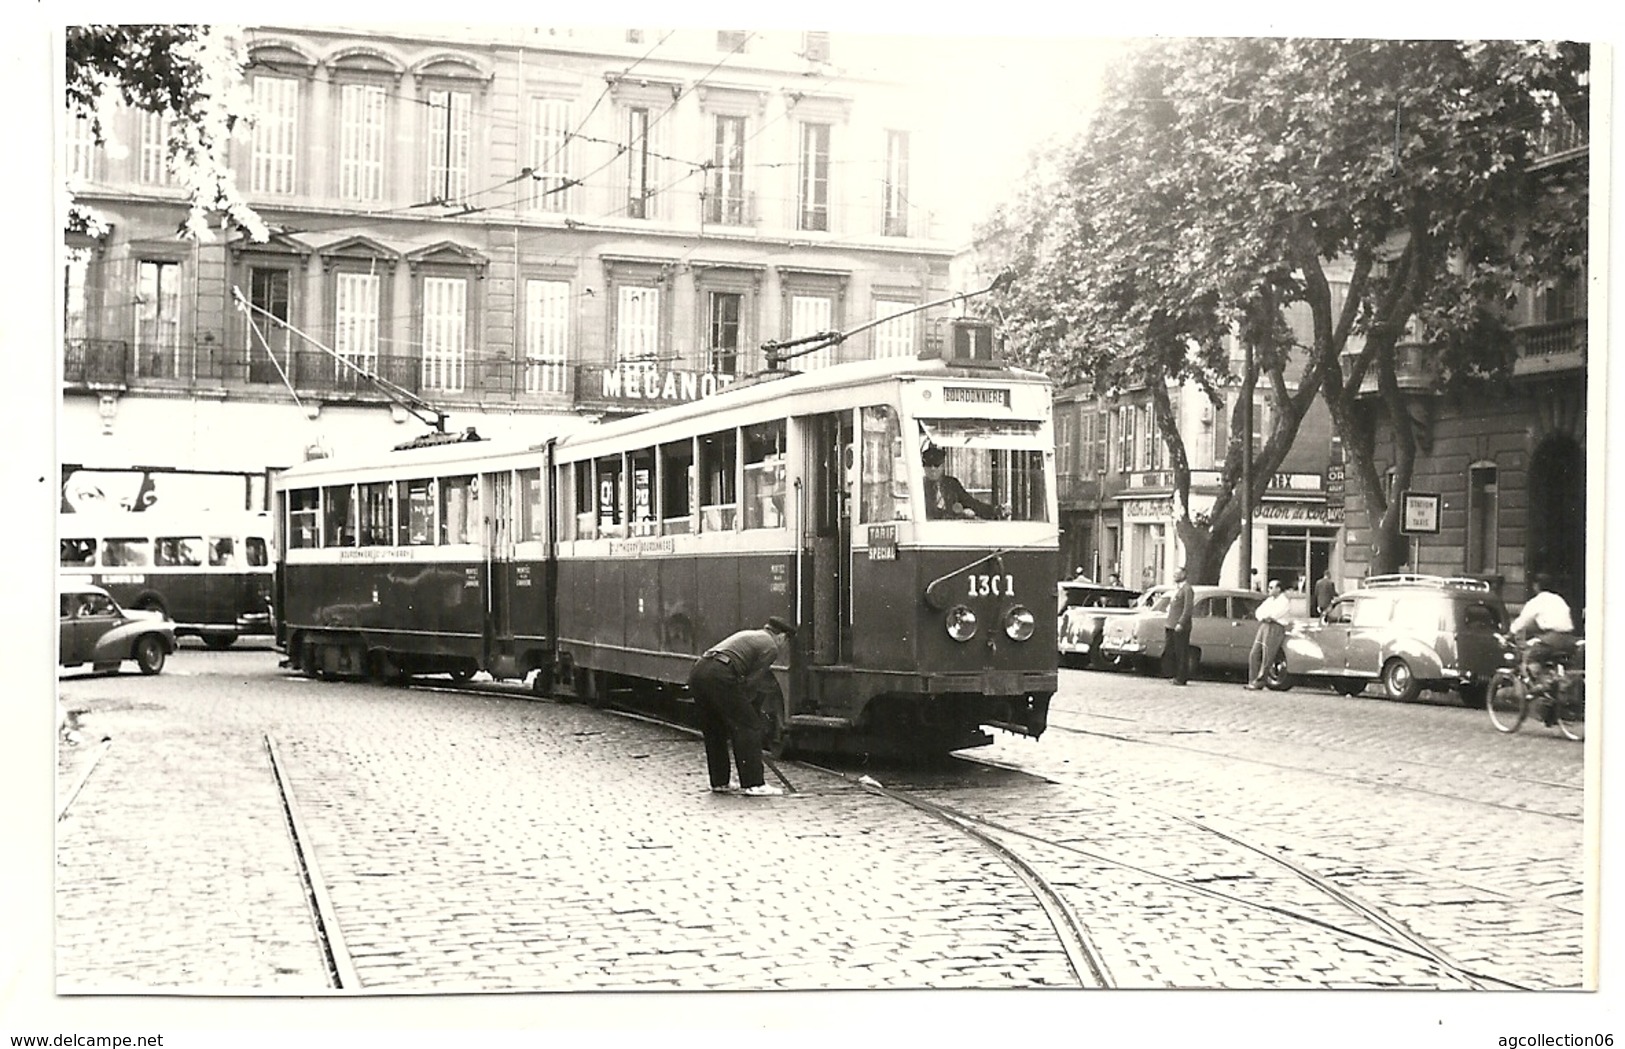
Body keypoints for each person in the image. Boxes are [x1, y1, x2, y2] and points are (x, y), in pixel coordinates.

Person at [687, 616, 797, 796]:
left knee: (715, 730)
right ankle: (754, 784)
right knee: (749, 727)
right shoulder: (771, 647)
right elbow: (751, 681)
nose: (784, 646)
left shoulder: (751, 635)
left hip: (699, 671)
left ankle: (719, 782)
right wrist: (749, 709)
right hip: (720, 675)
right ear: (782, 637)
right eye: (786, 641)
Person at [1508, 574, 1577, 724]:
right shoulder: (1559, 599)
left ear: (1536, 585)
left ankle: (1540, 687)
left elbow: (1522, 621)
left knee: (1531, 657)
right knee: (1554, 666)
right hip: (1570, 639)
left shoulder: (1537, 601)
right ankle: (1551, 698)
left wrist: (1509, 634)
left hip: (1552, 638)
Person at [921, 446, 1004, 520]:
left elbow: (971, 503)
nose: (932, 469)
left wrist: (994, 510)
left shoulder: (952, 484)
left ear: (943, 465)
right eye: (928, 465)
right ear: (923, 467)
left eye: (936, 465)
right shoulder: (920, 487)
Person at [1245, 579, 1291, 690]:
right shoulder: (1269, 600)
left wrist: (1268, 616)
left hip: (1275, 627)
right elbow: (1259, 612)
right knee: (1254, 653)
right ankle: (1253, 680)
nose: (1269, 590)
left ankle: (1260, 681)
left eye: (1271, 587)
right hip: (1264, 626)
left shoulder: (1284, 601)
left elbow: (1275, 615)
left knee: (1267, 655)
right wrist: (1264, 616)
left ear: (1278, 589)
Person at [1164, 567, 1194, 686]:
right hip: (1171, 624)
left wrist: (1181, 622)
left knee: (1181, 651)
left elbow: (1188, 608)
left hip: (1180, 626)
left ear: (1184, 574)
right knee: (1172, 651)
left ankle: (1181, 677)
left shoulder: (1187, 589)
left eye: (1178, 574)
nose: (1175, 575)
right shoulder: (1176, 589)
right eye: (1174, 573)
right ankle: (1174, 674)